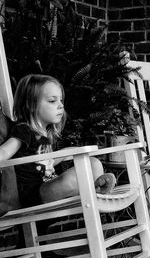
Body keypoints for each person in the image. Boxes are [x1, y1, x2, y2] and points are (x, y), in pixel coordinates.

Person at [0, 74, 116, 208]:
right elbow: (5, 151)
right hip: (34, 194)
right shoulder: (23, 130)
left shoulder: (46, 135)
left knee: (94, 162)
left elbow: (46, 163)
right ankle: (93, 189)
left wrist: (66, 152)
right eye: (52, 101)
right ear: (31, 105)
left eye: (61, 100)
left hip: (50, 184)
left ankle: (94, 188)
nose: (60, 106)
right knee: (68, 181)